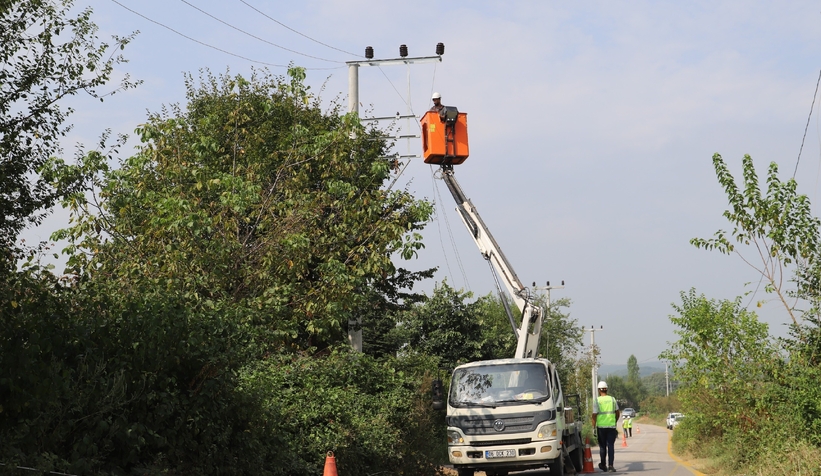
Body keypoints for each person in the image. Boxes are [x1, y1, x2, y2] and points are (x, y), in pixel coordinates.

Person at [592, 381, 620, 473]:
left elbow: (594, 415)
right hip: (611, 426)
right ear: (606, 389)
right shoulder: (612, 399)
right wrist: (614, 421)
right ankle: (611, 466)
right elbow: (617, 412)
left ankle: (603, 465)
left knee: (602, 447)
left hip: (601, 427)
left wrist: (593, 427)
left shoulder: (597, 400)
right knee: (611, 446)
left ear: (599, 390)